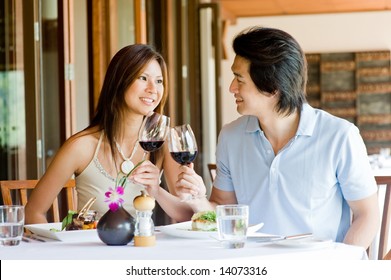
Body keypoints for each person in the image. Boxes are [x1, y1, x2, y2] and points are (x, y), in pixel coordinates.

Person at [177, 26, 380, 249]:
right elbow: (224, 210)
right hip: (250, 267)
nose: (231, 88)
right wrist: (198, 200)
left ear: (272, 87)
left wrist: (341, 264)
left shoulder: (340, 136)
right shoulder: (231, 136)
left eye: (239, 79)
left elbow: (367, 215)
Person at [25, 44, 194, 224]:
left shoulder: (165, 142)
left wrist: (157, 191)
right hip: (92, 250)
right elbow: (33, 212)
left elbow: (187, 214)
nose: (153, 89)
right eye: (143, 78)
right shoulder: (81, 146)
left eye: (159, 81)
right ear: (120, 81)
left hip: (143, 247)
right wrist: (59, 251)